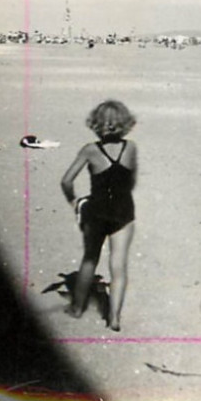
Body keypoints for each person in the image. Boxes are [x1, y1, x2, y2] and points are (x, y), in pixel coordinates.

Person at [59, 100, 139, 332]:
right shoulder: (131, 147)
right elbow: (132, 179)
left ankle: (76, 308)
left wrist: (73, 200)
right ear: (124, 123)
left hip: (97, 211)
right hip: (124, 210)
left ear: (96, 124)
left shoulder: (90, 150)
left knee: (90, 259)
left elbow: (66, 180)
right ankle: (114, 318)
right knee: (118, 265)